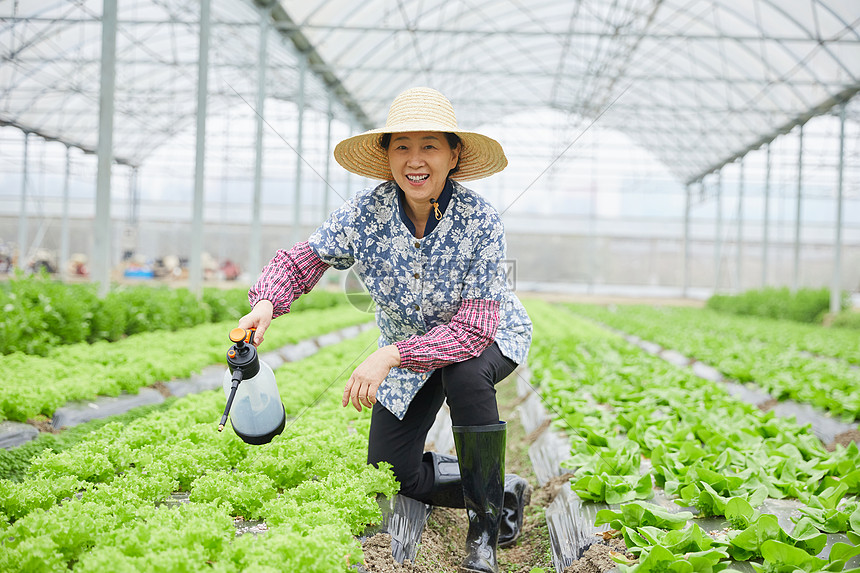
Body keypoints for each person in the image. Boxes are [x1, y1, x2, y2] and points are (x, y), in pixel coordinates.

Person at [238, 87, 533, 573]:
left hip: (485, 338)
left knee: (464, 375)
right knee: (392, 473)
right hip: (407, 352)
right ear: (386, 155)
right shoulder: (364, 214)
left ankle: (483, 534)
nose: (415, 161)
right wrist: (267, 302)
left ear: (454, 154)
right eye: (402, 146)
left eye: (430, 146)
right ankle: (501, 489)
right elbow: (302, 260)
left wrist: (390, 354)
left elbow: (473, 332)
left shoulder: (480, 220)